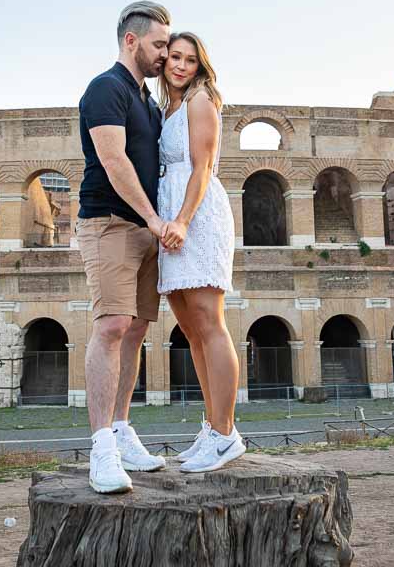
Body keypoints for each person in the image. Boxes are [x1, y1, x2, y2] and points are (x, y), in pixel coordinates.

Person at [76, 1, 172, 494]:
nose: (165, 54)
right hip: (108, 222)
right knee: (111, 325)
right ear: (131, 41)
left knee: (135, 330)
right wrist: (155, 219)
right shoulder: (105, 88)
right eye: (159, 45)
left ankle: (121, 428)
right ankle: (101, 450)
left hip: (144, 230)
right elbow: (114, 162)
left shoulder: (149, 102)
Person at [155, 32, 244, 473]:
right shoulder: (168, 105)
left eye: (190, 59)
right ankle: (212, 428)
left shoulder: (200, 100)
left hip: (196, 216)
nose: (181, 65)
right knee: (190, 331)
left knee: (211, 325)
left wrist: (184, 221)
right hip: (170, 216)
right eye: (175, 57)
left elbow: (203, 166)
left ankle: (226, 434)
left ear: (200, 65)